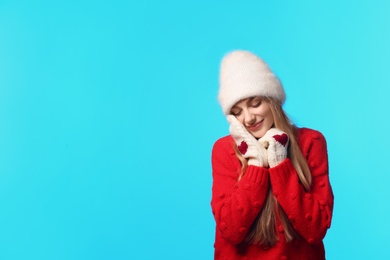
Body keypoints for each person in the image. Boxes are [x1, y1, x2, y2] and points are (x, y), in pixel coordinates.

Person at [211, 50, 334, 260]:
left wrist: (280, 165)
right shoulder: (224, 150)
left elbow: (316, 229)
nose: (248, 118)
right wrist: (256, 164)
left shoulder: (311, 142)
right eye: (237, 111)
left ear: (273, 101)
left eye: (255, 103)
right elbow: (231, 229)